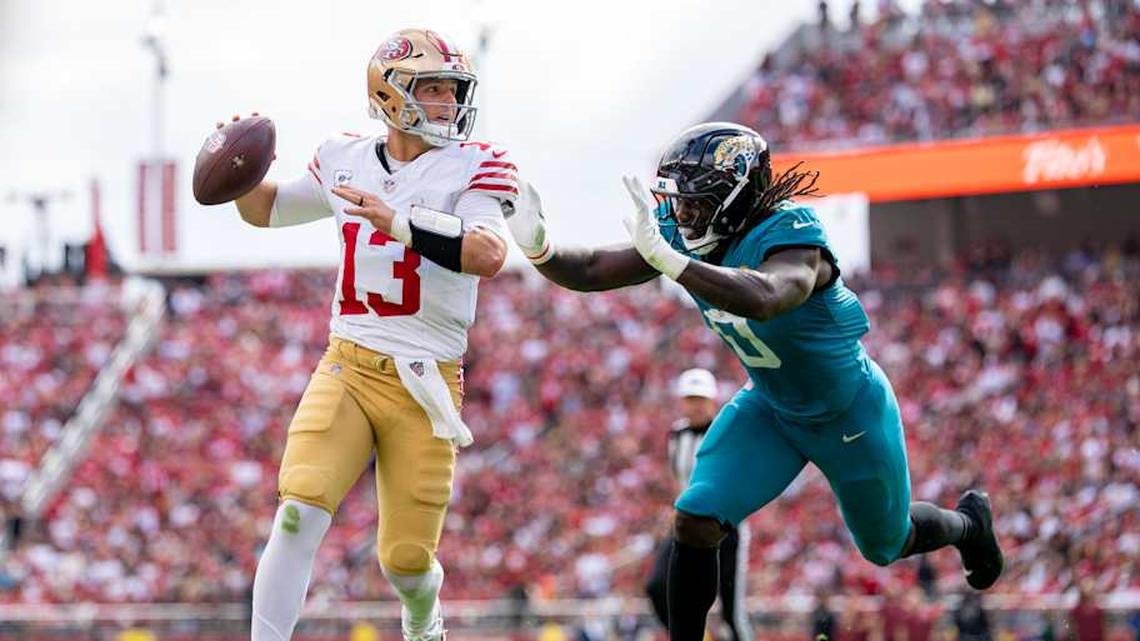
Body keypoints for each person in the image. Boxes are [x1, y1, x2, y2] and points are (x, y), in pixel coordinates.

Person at [506, 121, 1004, 641]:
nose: (682, 217)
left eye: (696, 203)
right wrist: (540, 248)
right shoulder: (682, 235)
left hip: (848, 411)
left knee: (886, 544)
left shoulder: (792, 233)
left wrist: (674, 264)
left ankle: (968, 524)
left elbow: (768, 296)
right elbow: (590, 269)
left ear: (736, 197)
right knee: (695, 516)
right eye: (679, 205)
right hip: (771, 408)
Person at [223, 28, 517, 641]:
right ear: (391, 94)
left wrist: (401, 223)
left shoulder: (477, 163)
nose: (447, 102)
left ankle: (422, 615)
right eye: (432, 89)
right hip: (350, 362)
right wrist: (239, 169)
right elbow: (266, 210)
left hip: (425, 383)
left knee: (406, 562)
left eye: (451, 89)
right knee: (299, 510)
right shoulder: (344, 157)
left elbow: (489, 253)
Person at [646, 368, 753, 641]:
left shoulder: (725, 431)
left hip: (725, 526)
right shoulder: (677, 435)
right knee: (658, 586)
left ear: (712, 400)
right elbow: (677, 479)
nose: (695, 405)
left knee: (731, 612)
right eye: (690, 398)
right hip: (686, 523)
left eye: (700, 399)